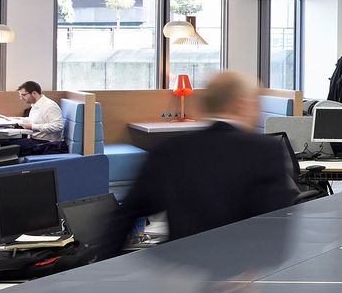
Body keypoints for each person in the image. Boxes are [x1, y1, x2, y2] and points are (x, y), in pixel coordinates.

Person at [107, 71, 297, 254]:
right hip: (240, 273)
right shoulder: (265, 151)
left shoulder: (168, 150)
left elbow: (127, 218)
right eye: (256, 104)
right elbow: (274, 227)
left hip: (179, 273)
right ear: (241, 104)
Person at [13, 80, 67, 155]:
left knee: (13, 148)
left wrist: (32, 126)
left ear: (34, 93)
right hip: (36, 140)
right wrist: (18, 120)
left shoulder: (50, 106)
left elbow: (58, 126)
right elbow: (37, 120)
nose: (21, 98)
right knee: (10, 143)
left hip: (48, 143)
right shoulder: (35, 105)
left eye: (23, 95)